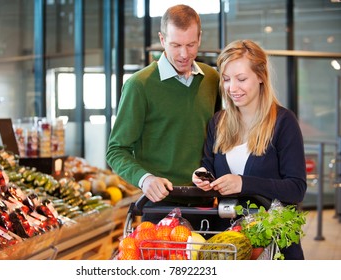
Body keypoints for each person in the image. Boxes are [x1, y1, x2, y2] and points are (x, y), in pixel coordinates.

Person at [106, 4, 221, 229]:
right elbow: (116, 150)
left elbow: (220, 139)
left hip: (207, 203)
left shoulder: (212, 79)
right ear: (162, 39)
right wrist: (145, 179)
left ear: (200, 37)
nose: (184, 54)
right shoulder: (139, 85)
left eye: (191, 44)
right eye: (176, 45)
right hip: (159, 206)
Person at [192, 39, 307, 259]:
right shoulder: (218, 122)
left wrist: (243, 183)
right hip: (229, 245)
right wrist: (202, 175)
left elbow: (297, 188)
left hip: (274, 245)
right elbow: (208, 164)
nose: (232, 88)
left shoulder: (283, 122)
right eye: (226, 79)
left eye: (241, 79)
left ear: (261, 77)